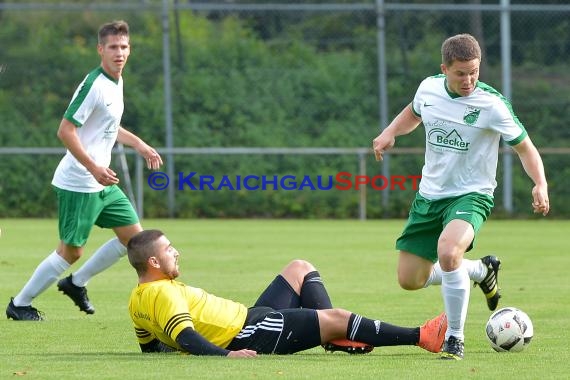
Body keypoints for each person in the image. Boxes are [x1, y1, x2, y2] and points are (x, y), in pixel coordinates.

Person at [372, 34, 549, 360]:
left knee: (448, 251)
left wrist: (540, 183)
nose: (468, 80)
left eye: (474, 72)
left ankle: (454, 338)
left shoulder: (492, 105)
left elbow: (525, 148)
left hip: (471, 195)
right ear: (445, 69)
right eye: (460, 73)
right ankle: (481, 271)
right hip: (429, 196)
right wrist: (389, 133)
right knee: (410, 280)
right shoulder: (428, 88)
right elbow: (413, 113)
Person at [6, 20, 163, 321]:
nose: (119, 52)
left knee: (135, 240)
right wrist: (93, 168)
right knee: (71, 252)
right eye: (113, 47)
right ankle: (20, 304)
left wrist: (140, 145)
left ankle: (77, 283)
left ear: (130, 50)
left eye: (124, 47)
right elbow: (65, 131)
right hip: (80, 181)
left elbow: (110, 126)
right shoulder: (93, 84)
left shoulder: (117, 82)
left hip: (102, 181)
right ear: (100, 49)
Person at [126, 229, 448, 357]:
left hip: (250, 317)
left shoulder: (138, 298)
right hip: (247, 334)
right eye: (170, 250)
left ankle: (334, 338)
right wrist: (228, 355)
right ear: (153, 261)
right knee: (337, 317)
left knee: (300, 267)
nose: (177, 252)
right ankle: (421, 336)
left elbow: (150, 346)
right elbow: (185, 337)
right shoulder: (163, 294)